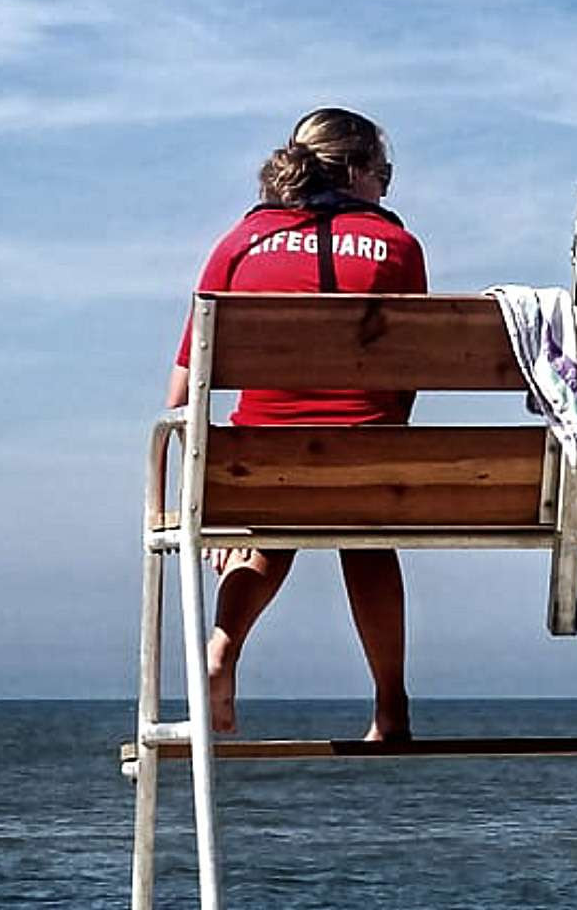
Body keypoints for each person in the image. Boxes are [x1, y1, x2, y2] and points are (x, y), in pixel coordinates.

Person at [166, 108, 427, 741]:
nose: (387, 188)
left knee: (271, 523)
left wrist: (211, 500)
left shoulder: (237, 245)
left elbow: (181, 392)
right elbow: (408, 379)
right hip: (364, 463)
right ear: (359, 171)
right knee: (364, 533)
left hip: (254, 464)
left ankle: (221, 650)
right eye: (384, 173)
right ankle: (390, 706)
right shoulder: (397, 247)